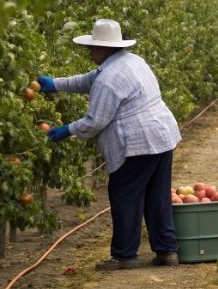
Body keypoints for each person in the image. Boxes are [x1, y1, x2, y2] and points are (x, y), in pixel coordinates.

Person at [36, 19, 182, 271]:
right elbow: (88, 80)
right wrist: (56, 84)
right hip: (162, 135)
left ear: (105, 49)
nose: (90, 53)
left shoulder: (109, 80)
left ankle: (124, 255)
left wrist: (66, 130)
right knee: (157, 195)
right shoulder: (132, 61)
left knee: (124, 193)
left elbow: (95, 121)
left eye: (93, 48)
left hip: (137, 142)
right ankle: (167, 251)